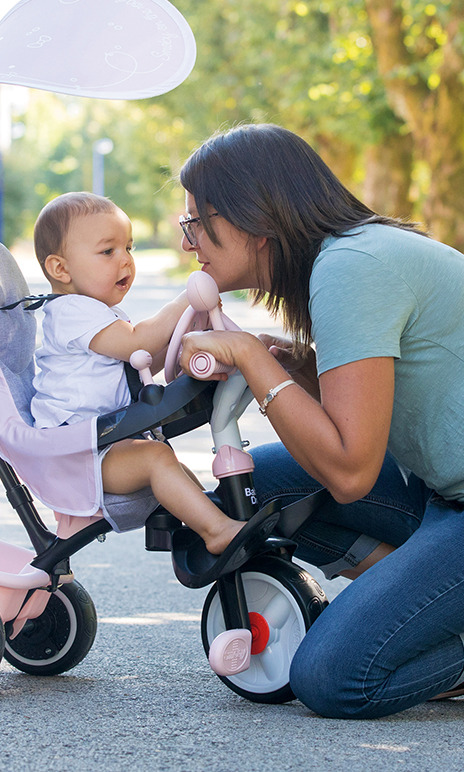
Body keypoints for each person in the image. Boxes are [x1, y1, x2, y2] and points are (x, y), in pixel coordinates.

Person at [176, 122, 464, 719]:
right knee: (257, 488)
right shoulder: (344, 259)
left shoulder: (352, 267)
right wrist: (290, 365)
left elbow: (351, 473)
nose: (188, 242)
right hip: (442, 493)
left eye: (196, 222)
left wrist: (254, 360)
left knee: (333, 676)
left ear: (253, 217)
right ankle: (418, 599)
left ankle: (434, 628)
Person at [30, 191, 246, 555]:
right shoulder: (71, 312)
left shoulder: (97, 312)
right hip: (77, 458)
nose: (125, 260)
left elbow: (141, 361)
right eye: (108, 251)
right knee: (156, 459)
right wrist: (185, 300)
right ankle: (216, 531)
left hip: (101, 444)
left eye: (128, 248)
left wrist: (186, 336)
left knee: (170, 464)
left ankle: (214, 520)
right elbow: (138, 342)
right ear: (60, 269)